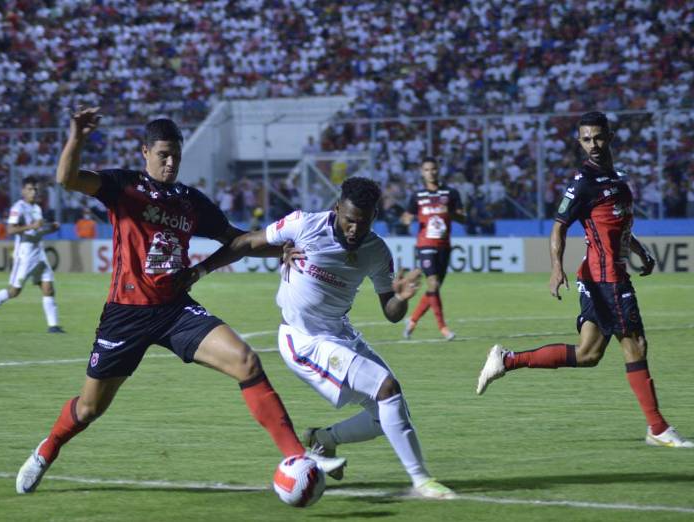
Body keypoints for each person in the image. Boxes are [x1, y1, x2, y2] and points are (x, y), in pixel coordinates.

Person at [15, 107, 345, 494]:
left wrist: (279, 250)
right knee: (90, 409)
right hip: (126, 314)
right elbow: (67, 178)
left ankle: (294, 456)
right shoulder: (124, 187)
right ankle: (48, 448)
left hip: (175, 310)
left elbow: (233, 238)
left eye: (175, 156)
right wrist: (77, 137)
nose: (170, 163)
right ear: (145, 153)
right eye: (163, 155)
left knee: (246, 361)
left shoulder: (191, 201)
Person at [190, 177, 456, 499]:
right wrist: (199, 271)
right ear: (336, 210)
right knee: (387, 388)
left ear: (373, 217)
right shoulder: (304, 224)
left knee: (389, 412)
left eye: (363, 222)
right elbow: (248, 242)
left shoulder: (376, 251)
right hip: (303, 340)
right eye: (349, 220)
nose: (355, 229)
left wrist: (400, 298)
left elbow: (391, 310)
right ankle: (422, 480)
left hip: (340, 333)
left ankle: (324, 439)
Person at [476, 111, 692, 449]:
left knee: (588, 354)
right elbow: (559, 225)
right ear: (580, 141)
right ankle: (657, 427)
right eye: (586, 139)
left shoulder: (618, 178)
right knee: (635, 344)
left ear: (610, 136)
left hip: (607, 275)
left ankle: (506, 360)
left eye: (598, 137)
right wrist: (554, 267)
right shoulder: (583, 182)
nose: (593, 144)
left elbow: (619, 226)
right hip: (605, 279)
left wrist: (639, 251)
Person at [0, 176, 63, 334]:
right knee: (14, 292)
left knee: (48, 288)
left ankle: (54, 326)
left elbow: (37, 229)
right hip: (25, 254)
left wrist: (51, 228)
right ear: (23, 191)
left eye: (35, 189)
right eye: (30, 189)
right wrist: (32, 225)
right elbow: (10, 230)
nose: (33, 192)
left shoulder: (37, 208)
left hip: (39, 253)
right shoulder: (18, 207)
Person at [400, 158, 465, 341]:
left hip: (444, 246)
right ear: (422, 172)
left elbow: (463, 218)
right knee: (433, 284)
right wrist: (406, 220)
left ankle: (412, 321)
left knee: (433, 289)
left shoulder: (451, 193)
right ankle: (443, 328)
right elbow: (406, 216)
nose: (431, 172)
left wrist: (450, 212)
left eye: (434, 169)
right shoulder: (417, 196)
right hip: (425, 244)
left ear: (438, 170)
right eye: (427, 169)